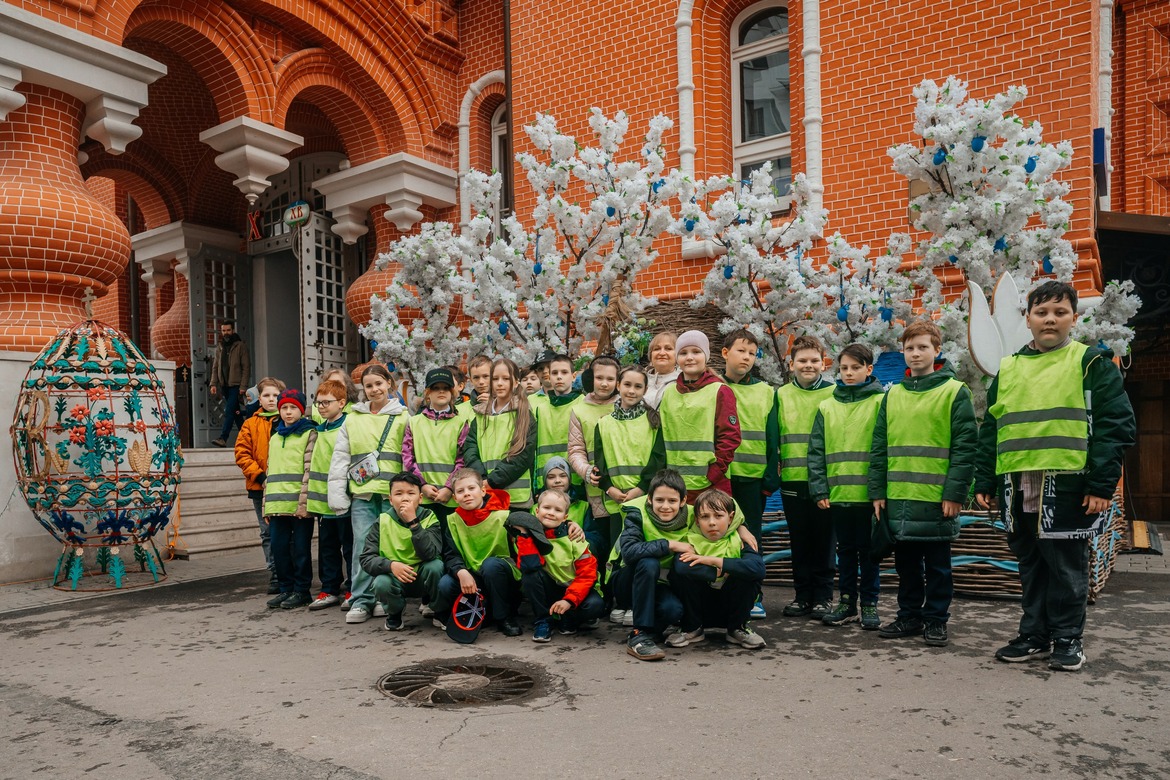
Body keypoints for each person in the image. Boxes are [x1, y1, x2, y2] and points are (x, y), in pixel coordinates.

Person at [975, 281, 1135, 671]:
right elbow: (992, 429)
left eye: (1060, 312)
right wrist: (985, 481)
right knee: (1031, 567)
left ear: (1073, 318)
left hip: (1067, 489)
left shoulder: (1091, 364)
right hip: (1018, 488)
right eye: (1041, 312)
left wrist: (1101, 484)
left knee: (1066, 570)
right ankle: (1034, 634)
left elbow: (1115, 427)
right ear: (1028, 319)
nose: (1050, 319)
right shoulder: (1009, 368)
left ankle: (1067, 639)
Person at [869, 320, 978, 645]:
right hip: (900, 498)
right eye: (909, 348)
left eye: (922, 347)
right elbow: (879, 446)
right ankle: (909, 617)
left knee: (938, 568)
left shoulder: (954, 392)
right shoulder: (893, 395)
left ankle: (936, 620)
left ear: (937, 350)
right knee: (906, 566)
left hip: (936, 499)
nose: (915, 353)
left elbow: (965, 448)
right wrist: (878, 491)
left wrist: (955, 494)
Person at [808, 343, 885, 628]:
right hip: (839, 495)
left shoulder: (881, 402)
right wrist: (819, 488)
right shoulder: (827, 406)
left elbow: (885, 449)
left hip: (870, 496)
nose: (849, 373)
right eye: (844, 368)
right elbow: (816, 451)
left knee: (870, 552)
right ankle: (847, 603)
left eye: (855, 367)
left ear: (869, 369)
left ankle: (870, 604)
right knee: (846, 552)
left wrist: (880, 490)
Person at [327, 364, 410, 624]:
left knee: (389, 546)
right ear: (363, 389)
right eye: (369, 385)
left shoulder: (403, 417)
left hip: (392, 496)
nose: (374, 389)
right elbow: (340, 457)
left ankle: (384, 597)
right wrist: (337, 495)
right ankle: (361, 599)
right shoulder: (353, 418)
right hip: (362, 494)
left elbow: (409, 456)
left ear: (389, 384)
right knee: (362, 546)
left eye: (379, 383)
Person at [719, 328, 780, 619]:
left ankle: (753, 595)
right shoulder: (712, 387)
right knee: (717, 534)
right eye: (741, 350)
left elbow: (773, 437)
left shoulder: (766, 391)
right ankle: (719, 595)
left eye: (752, 353)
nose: (746, 357)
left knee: (751, 537)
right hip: (720, 478)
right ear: (725, 353)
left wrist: (769, 479)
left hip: (753, 479)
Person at [776, 335, 837, 620]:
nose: (808, 365)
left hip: (824, 482)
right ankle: (802, 596)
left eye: (814, 360)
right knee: (799, 543)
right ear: (792, 364)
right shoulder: (781, 395)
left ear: (824, 363)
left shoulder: (834, 393)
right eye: (802, 360)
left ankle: (823, 597)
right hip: (792, 481)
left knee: (824, 542)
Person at [669, 489, 767, 650]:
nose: (712, 522)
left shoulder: (742, 540)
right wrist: (721, 571)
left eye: (718, 516)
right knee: (680, 574)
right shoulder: (688, 540)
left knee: (748, 574)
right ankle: (691, 628)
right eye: (705, 517)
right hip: (699, 609)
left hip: (731, 608)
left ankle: (738, 628)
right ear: (697, 520)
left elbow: (758, 569)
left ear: (731, 517)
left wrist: (712, 560)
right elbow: (681, 568)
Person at [612, 469, 692, 661]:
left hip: (659, 584)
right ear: (649, 499)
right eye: (659, 500)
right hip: (627, 581)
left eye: (672, 501)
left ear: (683, 501)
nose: (665, 506)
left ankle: (652, 632)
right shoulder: (636, 512)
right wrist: (669, 545)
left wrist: (741, 528)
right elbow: (629, 552)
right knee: (648, 562)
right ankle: (638, 635)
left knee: (673, 610)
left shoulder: (692, 514)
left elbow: (727, 509)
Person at [652, 330, 741, 502]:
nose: (689, 357)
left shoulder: (720, 390)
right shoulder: (669, 392)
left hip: (710, 485)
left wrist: (714, 473)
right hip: (674, 484)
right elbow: (662, 437)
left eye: (696, 352)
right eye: (683, 353)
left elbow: (730, 437)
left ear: (706, 356)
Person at [435, 468, 523, 637]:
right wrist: (461, 572)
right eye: (460, 491)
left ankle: (504, 617)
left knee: (491, 566)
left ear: (483, 491)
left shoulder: (504, 516)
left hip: (501, 575)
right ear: (455, 498)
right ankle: (482, 611)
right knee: (446, 584)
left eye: (471, 488)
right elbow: (451, 554)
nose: (466, 494)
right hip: (473, 576)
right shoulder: (452, 520)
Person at [510, 489, 606, 642]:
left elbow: (587, 575)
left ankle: (568, 617)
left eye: (558, 510)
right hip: (549, 588)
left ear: (565, 517)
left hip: (574, 588)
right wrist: (526, 535)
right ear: (537, 511)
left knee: (595, 606)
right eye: (546, 508)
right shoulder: (525, 536)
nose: (551, 513)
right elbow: (529, 566)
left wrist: (568, 600)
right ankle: (543, 621)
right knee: (530, 575)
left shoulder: (575, 538)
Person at [358, 473, 444, 631]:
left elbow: (430, 553)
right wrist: (391, 566)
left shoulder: (430, 517)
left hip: (422, 575)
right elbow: (366, 559)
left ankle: (439, 610)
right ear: (391, 500)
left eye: (411, 493)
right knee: (381, 583)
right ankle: (395, 612)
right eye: (398, 494)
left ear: (420, 498)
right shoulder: (382, 521)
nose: (405, 498)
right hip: (396, 577)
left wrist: (414, 523)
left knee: (436, 566)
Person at [263, 389, 318, 610]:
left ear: (301, 410)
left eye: (293, 407)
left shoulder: (309, 434)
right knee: (279, 548)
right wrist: (266, 505)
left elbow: (309, 470)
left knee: (301, 550)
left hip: (298, 505)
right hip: (277, 504)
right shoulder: (275, 437)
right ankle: (285, 588)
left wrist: (304, 504)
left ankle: (302, 590)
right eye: (284, 407)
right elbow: (270, 472)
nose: (288, 412)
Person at [461, 358, 538, 509]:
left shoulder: (523, 415)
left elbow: (523, 455)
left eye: (505, 379)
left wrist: (493, 481)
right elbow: (470, 450)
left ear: (516, 382)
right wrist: (482, 479)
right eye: (495, 379)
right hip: (485, 494)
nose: (500, 383)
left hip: (515, 497)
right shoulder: (480, 415)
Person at [234, 376, 286, 594]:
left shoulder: (288, 420)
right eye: (266, 395)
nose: (271, 399)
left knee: (288, 531)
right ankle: (275, 573)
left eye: (276, 395)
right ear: (259, 399)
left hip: (286, 486)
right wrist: (260, 476)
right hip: (260, 487)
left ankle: (290, 573)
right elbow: (242, 453)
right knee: (267, 532)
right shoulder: (250, 424)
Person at [306, 379, 354, 611]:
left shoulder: (349, 426)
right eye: (319, 403)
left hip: (343, 499)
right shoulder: (319, 429)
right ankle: (330, 588)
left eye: (327, 402)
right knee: (327, 547)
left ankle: (353, 587)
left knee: (350, 547)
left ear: (341, 403)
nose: (322, 407)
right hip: (323, 501)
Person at [568, 356, 620, 562]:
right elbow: (575, 449)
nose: (604, 383)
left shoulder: (624, 404)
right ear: (591, 379)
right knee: (602, 544)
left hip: (625, 485)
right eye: (599, 378)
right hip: (597, 487)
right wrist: (587, 472)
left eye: (610, 379)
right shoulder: (579, 410)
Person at [401, 368, 470, 525]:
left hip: (451, 497)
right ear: (428, 392)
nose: (441, 391)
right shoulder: (414, 422)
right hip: (423, 497)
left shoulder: (461, 423)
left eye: (446, 388)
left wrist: (449, 488)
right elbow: (408, 457)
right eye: (436, 388)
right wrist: (422, 485)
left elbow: (463, 459)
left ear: (452, 392)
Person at [532, 354, 581, 493]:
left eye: (564, 372)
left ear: (573, 376)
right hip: (546, 481)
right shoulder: (540, 409)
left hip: (577, 481)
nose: (559, 377)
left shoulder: (583, 404)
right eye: (554, 373)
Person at [210, 320, 250, 447]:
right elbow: (215, 367)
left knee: (229, 411)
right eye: (223, 331)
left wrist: (243, 386)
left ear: (232, 330)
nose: (226, 333)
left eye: (228, 330)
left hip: (236, 386)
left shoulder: (240, 346)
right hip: (224, 385)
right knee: (236, 413)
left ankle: (223, 438)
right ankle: (248, 438)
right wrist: (213, 384)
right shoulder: (220, 347)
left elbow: (246, 367)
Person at [541, 457, 587, 528]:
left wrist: (581, 532)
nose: (557, 480)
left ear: (569, 479)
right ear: (545, 482)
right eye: (551, 477)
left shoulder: (584, 506)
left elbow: (594, 533)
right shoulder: (535, 508)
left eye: (563, 476)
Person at [642, 331, 679, 410]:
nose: (662, 353)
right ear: (651, 355)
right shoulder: (640, 379)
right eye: (657, 349)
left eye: (668, 349)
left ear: (677, 355)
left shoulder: (682, 382)